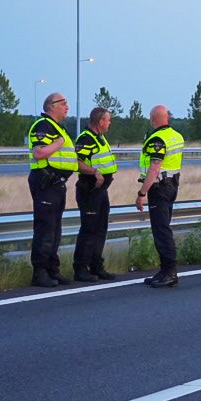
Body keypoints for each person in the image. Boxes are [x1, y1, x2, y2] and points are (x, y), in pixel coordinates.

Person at [27, 93, 79, 286]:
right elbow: (39, 152)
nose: (67, 106)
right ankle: (40, 272)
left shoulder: (58, 128)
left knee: (55, 229)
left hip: (57, 184)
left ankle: (52, 270)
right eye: (63, 103)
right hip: (45, 183)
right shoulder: (43, 125)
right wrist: (58, 143)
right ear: (51, 106)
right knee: (45, 229)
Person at [136, 104, 185, 288]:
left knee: (161, 230)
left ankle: (170, 272)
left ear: (153, 119)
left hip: (159, 188)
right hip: (172, 185)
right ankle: (165, 270)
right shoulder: (176, 136)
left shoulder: (157, 139)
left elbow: (154, 168)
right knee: (163, 227)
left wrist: (142, 193)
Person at [72, 106, 119, 282]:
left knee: (100, 229)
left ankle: (96, 266)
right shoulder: (86, 138)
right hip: (89, 189)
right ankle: (80, 268)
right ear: (100, 122)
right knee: (89, 229)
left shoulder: (100, 138)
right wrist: (94, 172)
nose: (109, 123)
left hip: (101, 190)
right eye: (108, 120)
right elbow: (76, 161)